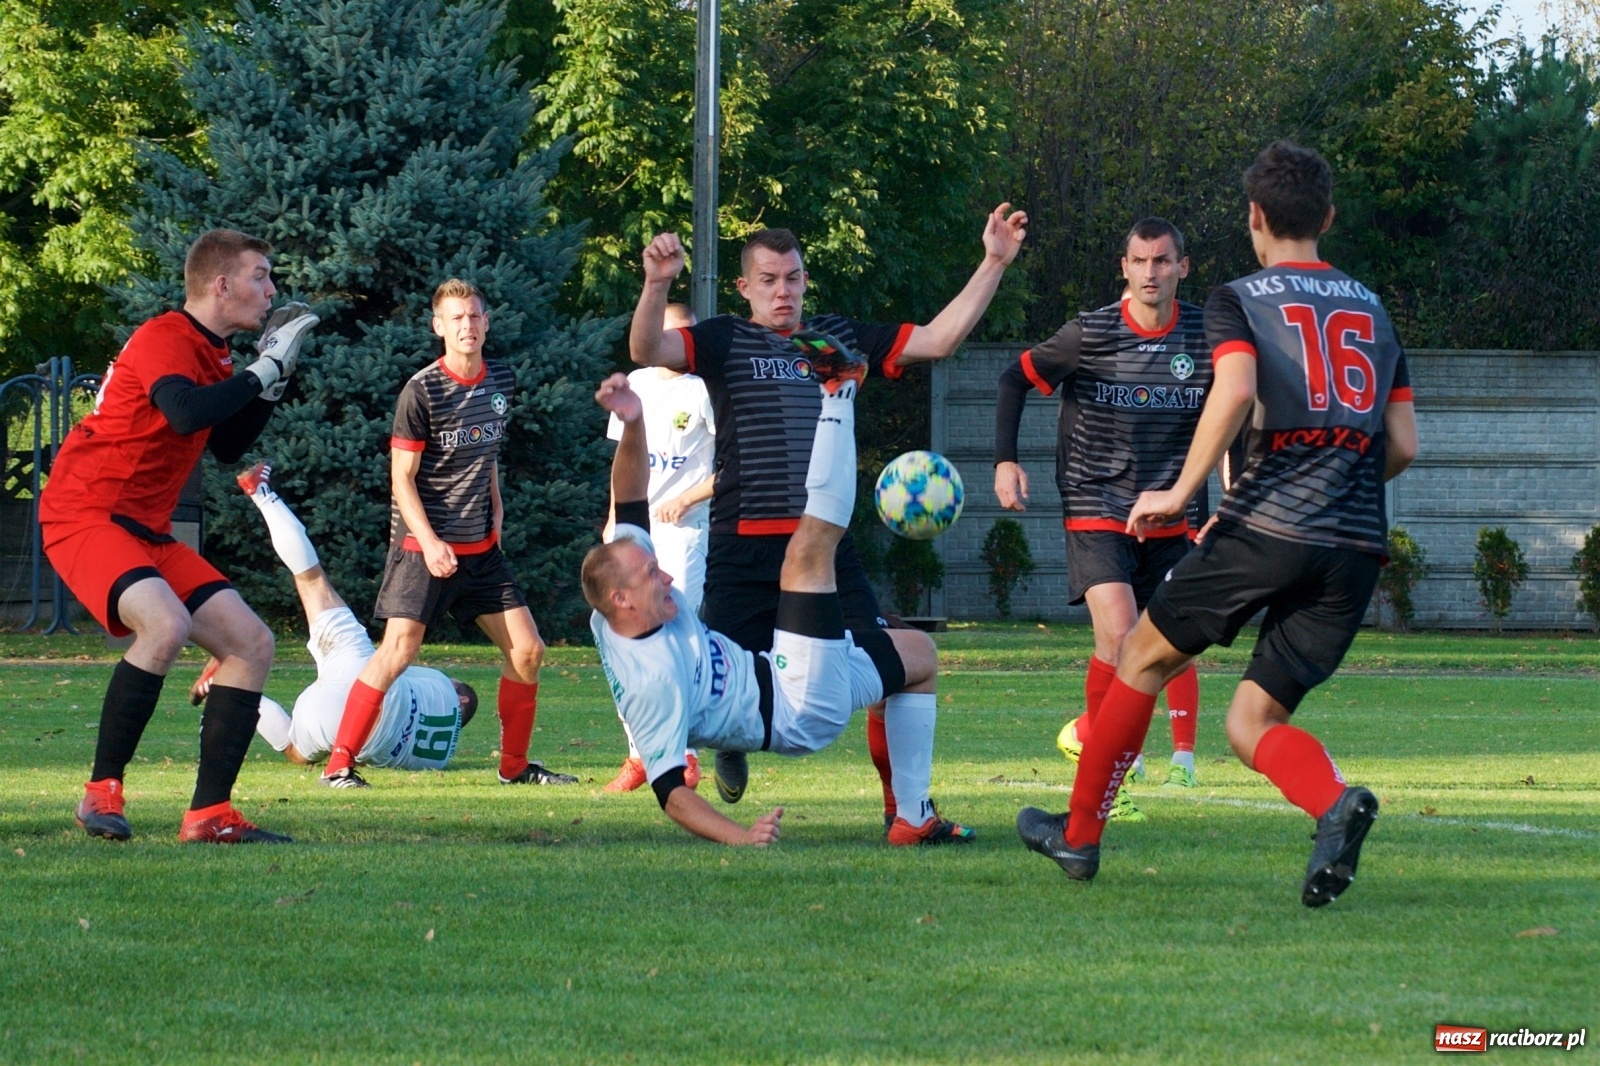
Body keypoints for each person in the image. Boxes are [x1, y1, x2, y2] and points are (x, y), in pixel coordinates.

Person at [1017, 141, 1419, 908]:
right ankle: (1333, 806)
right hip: (1357, 547)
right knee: (1252, 720)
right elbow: (1402, 446)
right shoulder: (1373, 305)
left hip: (1267, 525)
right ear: (1328, 217)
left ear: (1255, 217)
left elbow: (1233, 392)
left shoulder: (1242, 297)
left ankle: (1079, 836)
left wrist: (1179, 490)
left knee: (1138, 657)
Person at [628, 205, 1026, 841]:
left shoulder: (839, 339)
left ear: (806, 280)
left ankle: (909, 814)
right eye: (768, 280)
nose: (782, 291)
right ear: (744, 288)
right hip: (744, 553)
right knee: (710, 693)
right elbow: (648, 348)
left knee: (910, 661)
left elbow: (939, 339)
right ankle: (733, 740)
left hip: (828, 558)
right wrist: (657, 283)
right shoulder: (726, 339)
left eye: (792, 277)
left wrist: (994, 262)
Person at [585, 333, 972, 845]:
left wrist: (635, 422)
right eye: (652, 576)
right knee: (808, 555)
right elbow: (672, 793)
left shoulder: (612, 598)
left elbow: (630, 496)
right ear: (623, 600)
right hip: (796, 707)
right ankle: (838, 394)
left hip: (784, 673)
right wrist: (741, 837)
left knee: (919, 657)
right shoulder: (650, 682)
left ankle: (913, 816)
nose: (668, 576)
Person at [40, 228, 318, 844]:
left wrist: (268, 384)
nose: (270, 290)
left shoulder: (215, 354)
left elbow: (222, 445)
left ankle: (210, 814)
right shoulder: (165, 334)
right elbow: (186, 412)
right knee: (163, 624)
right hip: (88, 512)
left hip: (145, 530)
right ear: (221, 285)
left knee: (251, 643)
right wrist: (262, 368)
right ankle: (100, 793)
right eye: (260, 276)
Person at [317, 278, 575, 789]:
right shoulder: (421, 391)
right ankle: (338, 764)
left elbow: (488, 454)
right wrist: (431, 542)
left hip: (481, 549)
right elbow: (401, 479)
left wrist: (497, 507)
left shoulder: (500, 379)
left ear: (487, 322)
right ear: (439, 326)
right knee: (397, 652)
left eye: (475, 316)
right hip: (422, 547)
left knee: (528, 650)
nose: (467, 326)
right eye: (456, 318)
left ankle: (514, 767)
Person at [993, 218, 1213, 817]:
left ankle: (1090, 732)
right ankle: (1103, 788)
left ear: (1182, 267)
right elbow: (1014, 378)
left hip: (1172, 515)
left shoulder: (1206, 335)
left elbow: (1235, 414)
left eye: (1163, 261)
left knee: (1172, 648)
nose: (1150, 272)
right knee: (1118, 639)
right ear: (1124, 267)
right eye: (1139, 261)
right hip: (1096, 503)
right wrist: (1006, 462)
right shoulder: (1089, 333)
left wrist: (1232, 497)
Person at [189, 462, 478, 771]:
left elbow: (393, 665)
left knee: (312, 580)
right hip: (343, 726)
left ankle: (262, 494)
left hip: (358, 667)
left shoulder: (442, 687)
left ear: (461, 699)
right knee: (294, 749)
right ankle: (225, 686)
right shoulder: (440, 757)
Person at [602, 302, 714, 793]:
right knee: (627, 638)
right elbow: (624, 458)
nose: (680, 345)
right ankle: (637, 756)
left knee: (675, 637)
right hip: (634, 530)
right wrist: (612, 521)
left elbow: (734, 463)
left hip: (685, 531)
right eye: (673, 335)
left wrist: (688, 497)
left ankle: (684, 754)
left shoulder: (708, 385)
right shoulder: (639, 383)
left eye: (688, 335)